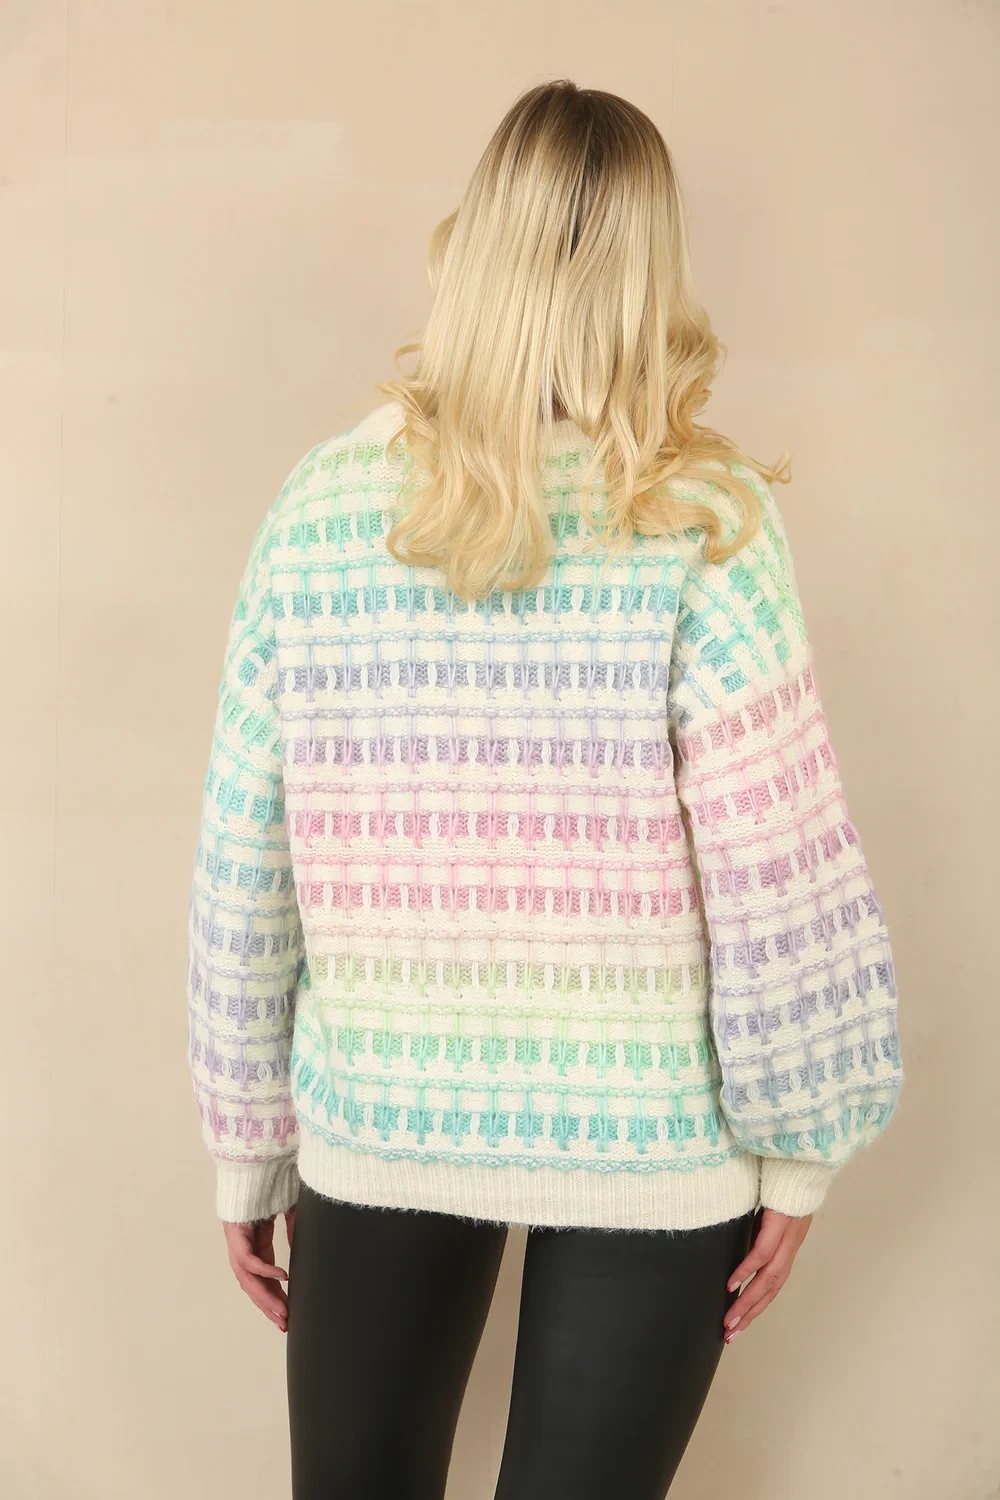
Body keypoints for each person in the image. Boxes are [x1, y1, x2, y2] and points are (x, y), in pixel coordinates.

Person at [185, 78, 904, 1500]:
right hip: (650, 1137)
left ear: (476, 242)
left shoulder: (325, 509)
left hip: (381, 1116)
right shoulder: (703, 519)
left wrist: (246, 1149)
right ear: (652, 268)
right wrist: (802, 1148)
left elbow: (243, 861)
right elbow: (780, 866)